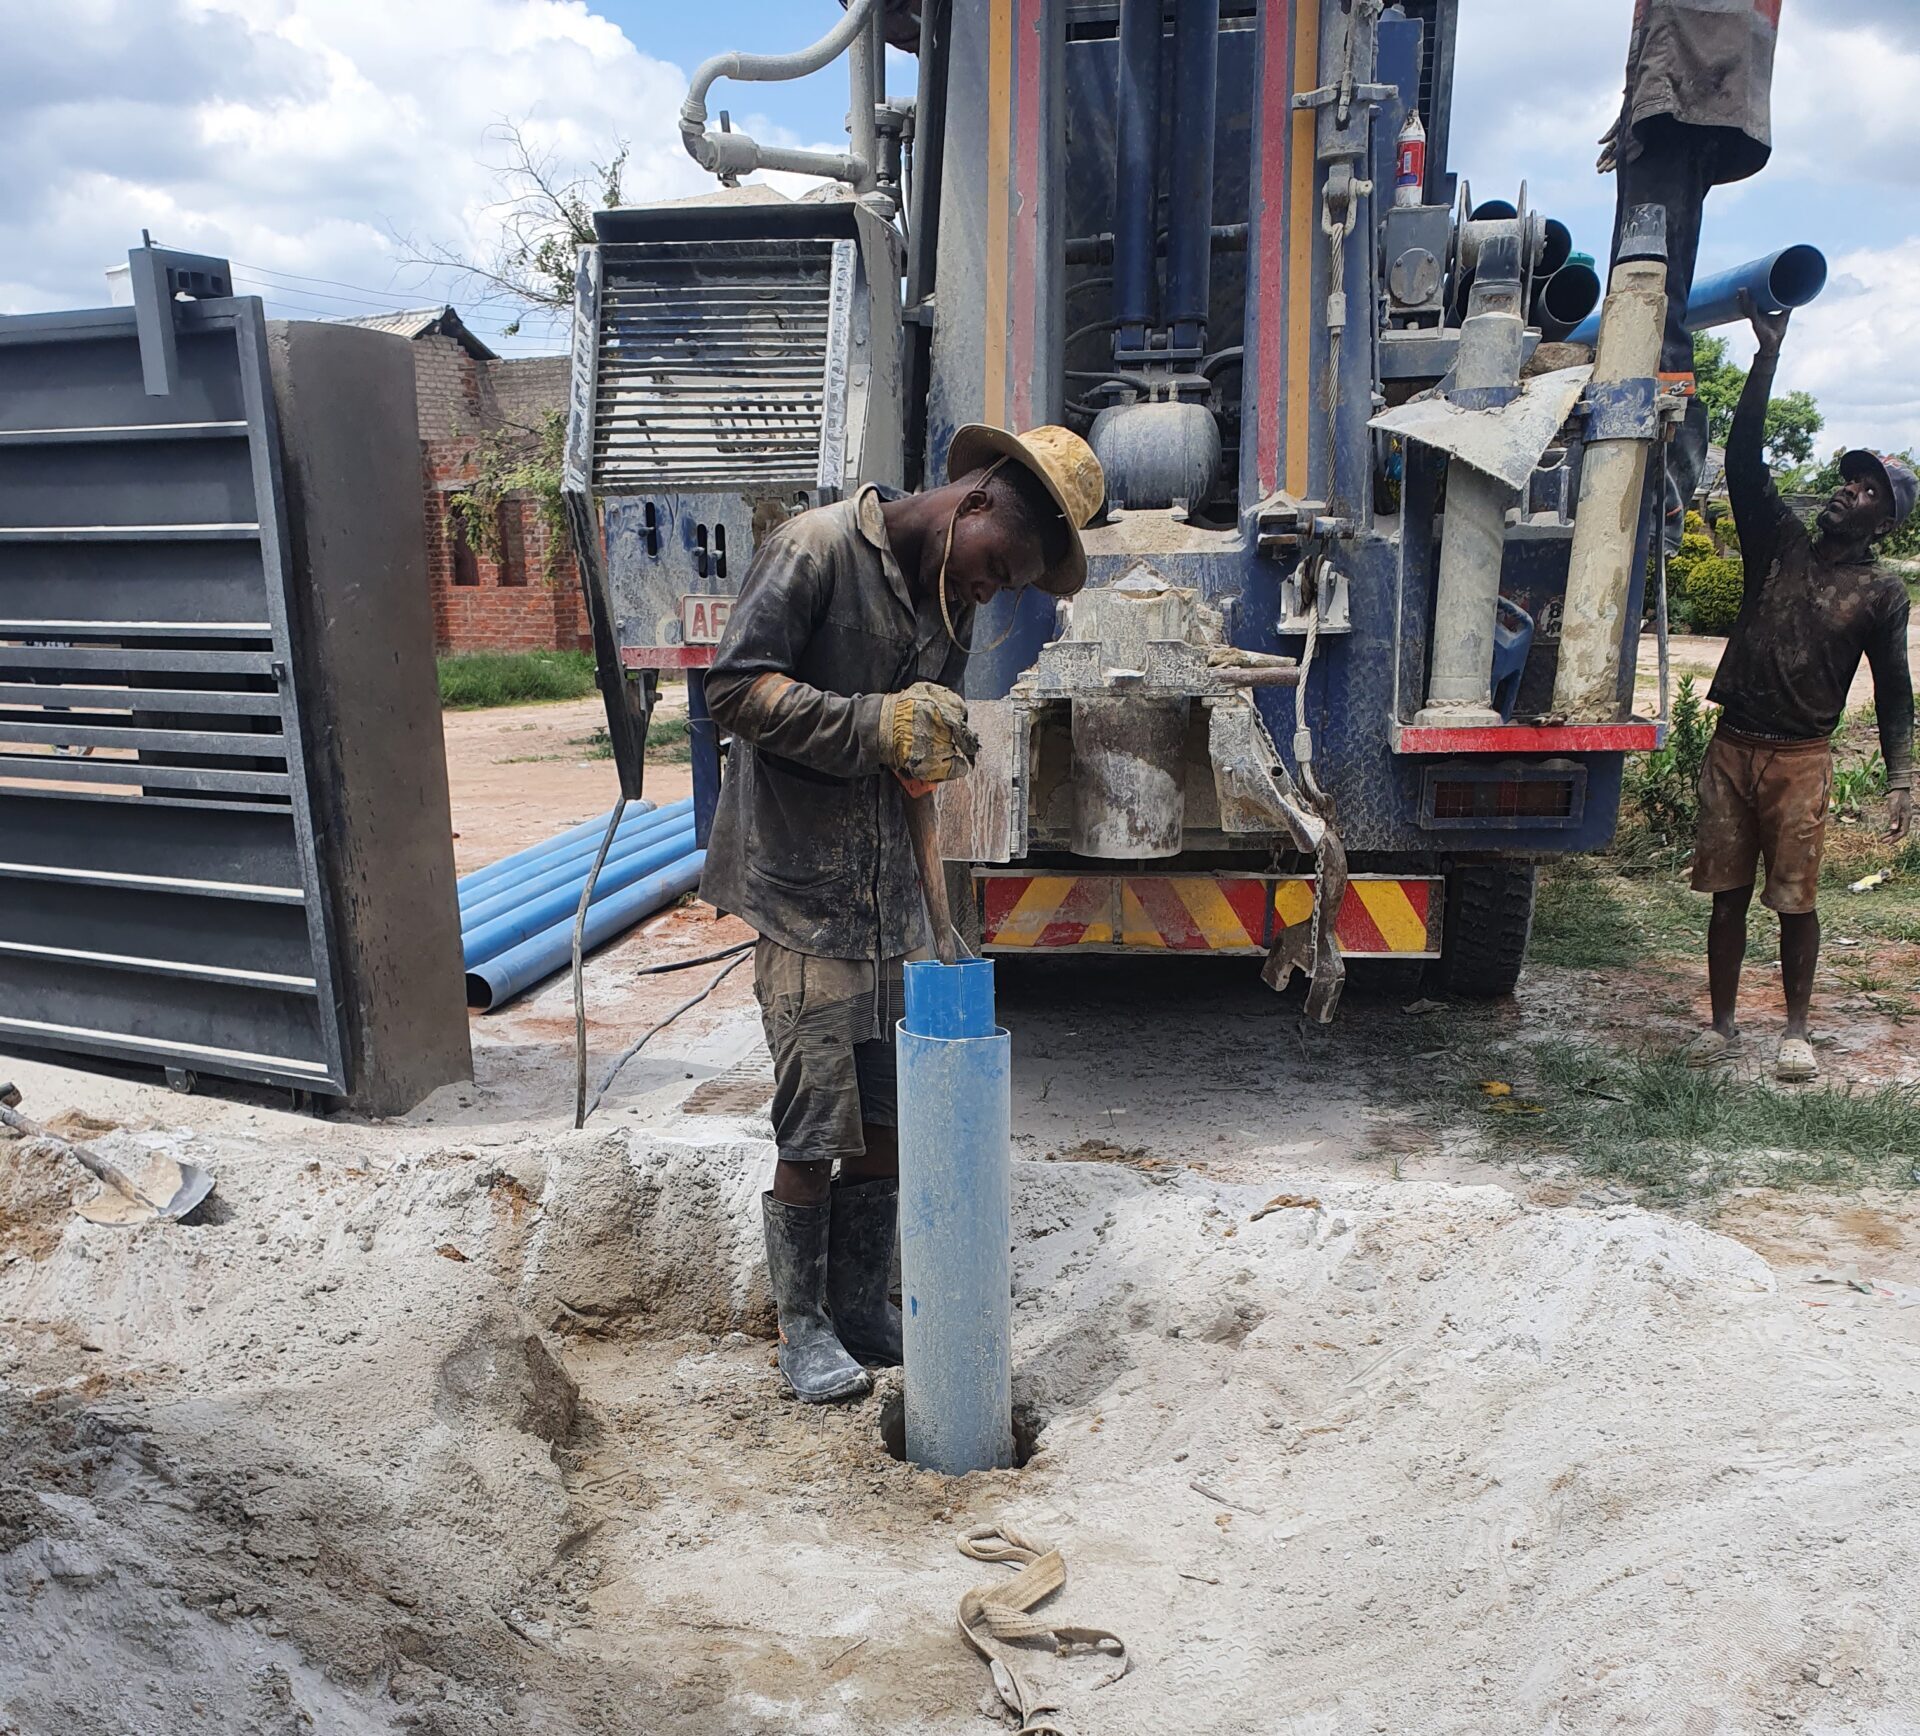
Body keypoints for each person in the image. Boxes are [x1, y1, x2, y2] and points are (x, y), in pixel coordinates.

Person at [701, 426, 1104, 1403]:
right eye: (998, 566)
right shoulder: (815, 549)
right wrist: (874, 724)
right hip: (803, 895)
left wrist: (932, 753)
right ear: (977, 500)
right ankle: (803, 1326)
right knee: (815, 1129)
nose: (990, 592)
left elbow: (914, 749)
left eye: (1010, 586)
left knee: (887, 1119)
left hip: (892, 904)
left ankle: (860, 1304)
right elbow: (735, 690)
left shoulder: (948, 606)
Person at [1688, 301, 1915, 1082]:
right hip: (1733, 748)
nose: (1849, 490)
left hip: (1800, 760)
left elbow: (1895, 693)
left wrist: (1901, 776)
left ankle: (1794, 1032)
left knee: (1795, 900)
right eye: (1850, 480)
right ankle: (1721, 1028)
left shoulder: (1881, 594)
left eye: (1868, 490)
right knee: (1725, 895)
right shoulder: (1780, 543)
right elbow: (1744, 459)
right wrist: (1766, 359)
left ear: (1884, 522)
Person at [1598, 0, 1780, 544]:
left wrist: (1649, 93)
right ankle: (1665, 473)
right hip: (1691, 72)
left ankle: (1663, 475)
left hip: (1689, 65)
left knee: (1648, 281)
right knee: (1654, 273)